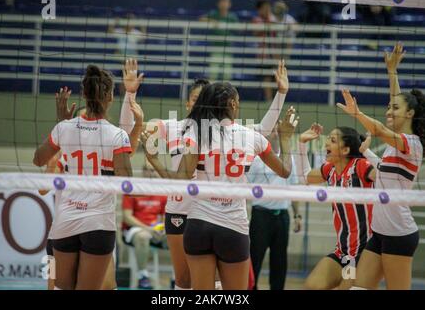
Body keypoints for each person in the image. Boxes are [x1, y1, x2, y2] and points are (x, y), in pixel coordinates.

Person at [120, 59, 290, 289]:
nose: (198, 103)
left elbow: (262, 131)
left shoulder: (217, 133)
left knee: (216, 281)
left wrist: (280, 94)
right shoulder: (174, 127)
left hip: (206, 214)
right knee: (184, 280)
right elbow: (126, 134)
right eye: (194, 98)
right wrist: (130, 96)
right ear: (188, 102)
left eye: (203, 98)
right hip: (182, 210)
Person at [33, 65, 135, 290]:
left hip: (64, 223)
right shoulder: (117, 135)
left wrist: (61, 126)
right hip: (97, 224)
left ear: (84, 95)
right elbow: (127, 181)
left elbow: (37, 159)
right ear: (109, 97)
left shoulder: (64, 129)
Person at [337, 43, 424, 290]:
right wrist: (392, 72)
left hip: (399, 234)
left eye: (394, 109)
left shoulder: (412, 144)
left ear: (410, 114)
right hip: (380, 232)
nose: (389, 110)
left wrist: (357, 113)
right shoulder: (392, 147)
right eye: (388, 107)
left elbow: (378, 129)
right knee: (357, 288)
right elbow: (385, 174)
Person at [295, 124, 375, 290]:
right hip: (343, 253)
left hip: (364, 253)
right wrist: (301, 143)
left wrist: (368, 151)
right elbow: (304, 178)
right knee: (312, 286)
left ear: (345, 150)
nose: (326, 144)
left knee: (347, 287)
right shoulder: (330, 170)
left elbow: (385, 176)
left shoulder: (360, 166)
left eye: (332, 140)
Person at [246, 124, 302, 290]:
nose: (275, 132)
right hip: (261, 217)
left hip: (282, 217)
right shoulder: (256, 161)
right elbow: (244, 186)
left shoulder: (288, 159)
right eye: (271, 130)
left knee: (280, 263)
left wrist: (297, 216)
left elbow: (293, 189)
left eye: (276, 128)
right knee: (254, 260)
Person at [122, 164, 168, 289]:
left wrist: (163, 228)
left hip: (154, 230)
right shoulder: (133, 190)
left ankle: (178, 278)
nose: (152, 173)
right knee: (143, 236)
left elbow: (165, 218)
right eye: (149, 170)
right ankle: (142, 275)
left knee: (178, 237)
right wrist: (147, 228)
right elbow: (127, 217)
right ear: (143, 171)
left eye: (154, 170)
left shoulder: (162, 193)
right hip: (134, 230)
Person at [199, 0, 238, 81]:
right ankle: (212, 93)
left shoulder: (232, 16)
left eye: (226, 2)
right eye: (222, 2)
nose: (224, 4)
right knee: (213, 74)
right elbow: (201, 19)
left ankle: (226, 94)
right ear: (218, 4)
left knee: (227, 76)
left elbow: (239, 28)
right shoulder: (214, 14)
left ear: (229, 4)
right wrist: (214, 22)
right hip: (216, 48)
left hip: (228, 49)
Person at [252, 0, 277, 102]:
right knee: (267, 77)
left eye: (268, 7)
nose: (267, 10)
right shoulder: (257, 20)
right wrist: (267, 24)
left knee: (277, 77)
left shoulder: (274, 18)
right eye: (264, 8)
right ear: (259, 10)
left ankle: (276, 100)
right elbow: (256, 32)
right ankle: (269, 99)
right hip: (263, 54)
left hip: (275, 53)